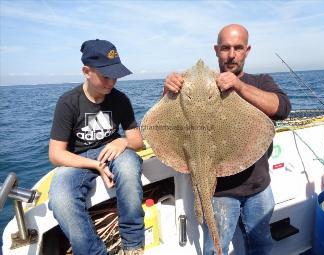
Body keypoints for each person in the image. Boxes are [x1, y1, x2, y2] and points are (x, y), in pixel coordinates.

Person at [164, 24, 291, 255]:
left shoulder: (260, 81)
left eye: (238, 48)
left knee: (261, 246)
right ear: (216, 50)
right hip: (219, 192)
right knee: (215, 248)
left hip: (258, 187)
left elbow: (282, 108)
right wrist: (170, 91)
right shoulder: (198, 87)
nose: (231, 54)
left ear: (247, 50)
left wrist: (239, 86)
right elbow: (168, 123)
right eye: (225, 48)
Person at [48, 39, 145, 255]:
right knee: (61, 198)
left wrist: (123, 141)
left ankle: (133, 244)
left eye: (115, 76)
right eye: (106, 76)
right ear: (86, 71)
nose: (112, 82)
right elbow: (56, 155)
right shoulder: (68, 102)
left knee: (129, 168)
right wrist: (95, 165)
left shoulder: (120, 100)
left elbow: (138, 142)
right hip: (78, 160)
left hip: (113, 151)